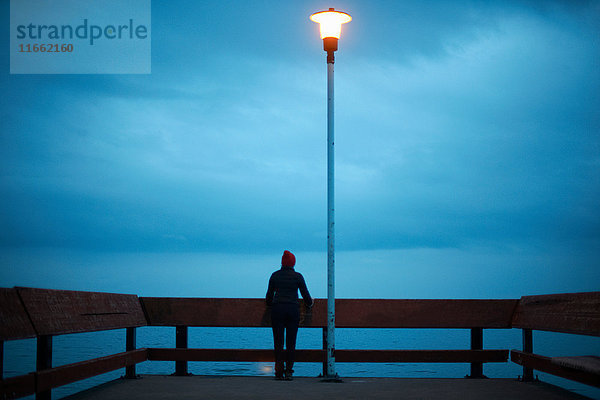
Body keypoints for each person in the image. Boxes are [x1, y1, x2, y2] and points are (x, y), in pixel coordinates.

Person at [265, 250, 313, 380]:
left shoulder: (275, 276)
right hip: (293, 310)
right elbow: (306, 297)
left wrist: (272, 303)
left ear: (282, 263)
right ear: (293, 263)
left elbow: (268, 298)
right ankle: (289, 372)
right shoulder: (298, 276)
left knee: (278, 342)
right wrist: (310, 303)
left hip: (277, 310)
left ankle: (278, 372)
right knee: (291, 342)